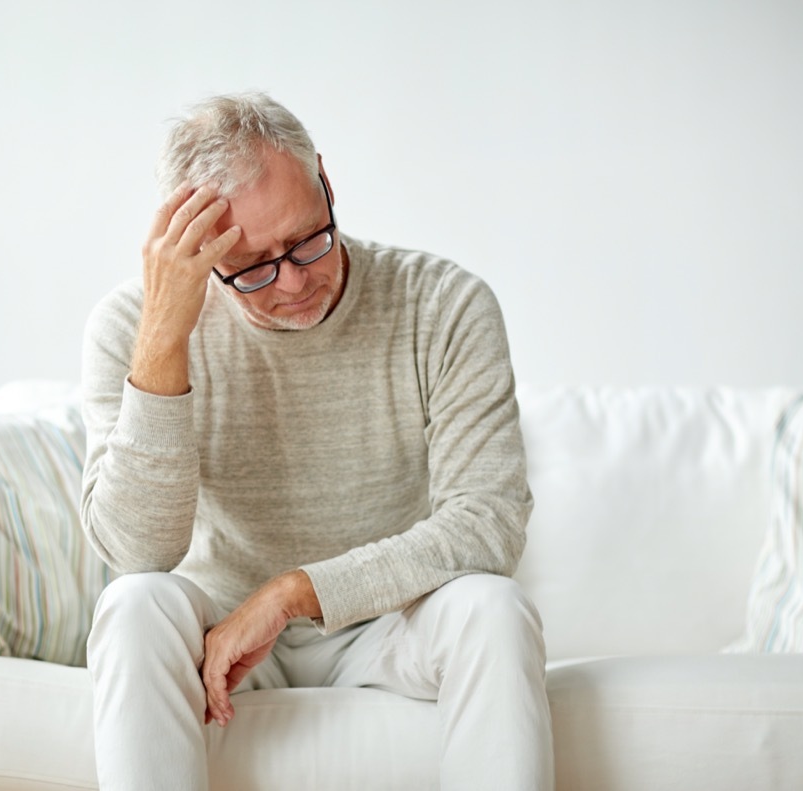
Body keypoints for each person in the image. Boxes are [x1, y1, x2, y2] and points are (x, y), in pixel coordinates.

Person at [80, 91, 553, 790]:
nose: (296, 281)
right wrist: (162, 345)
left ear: (327, 184)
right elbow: (138, 554)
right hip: (219, 636)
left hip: (389, 626)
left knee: (495, 608)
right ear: (200, 256)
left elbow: (488, 522)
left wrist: (294, 592)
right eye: (253, 268)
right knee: (133, 605)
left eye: (308, 238)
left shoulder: (446, 304)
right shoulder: (133, 327)